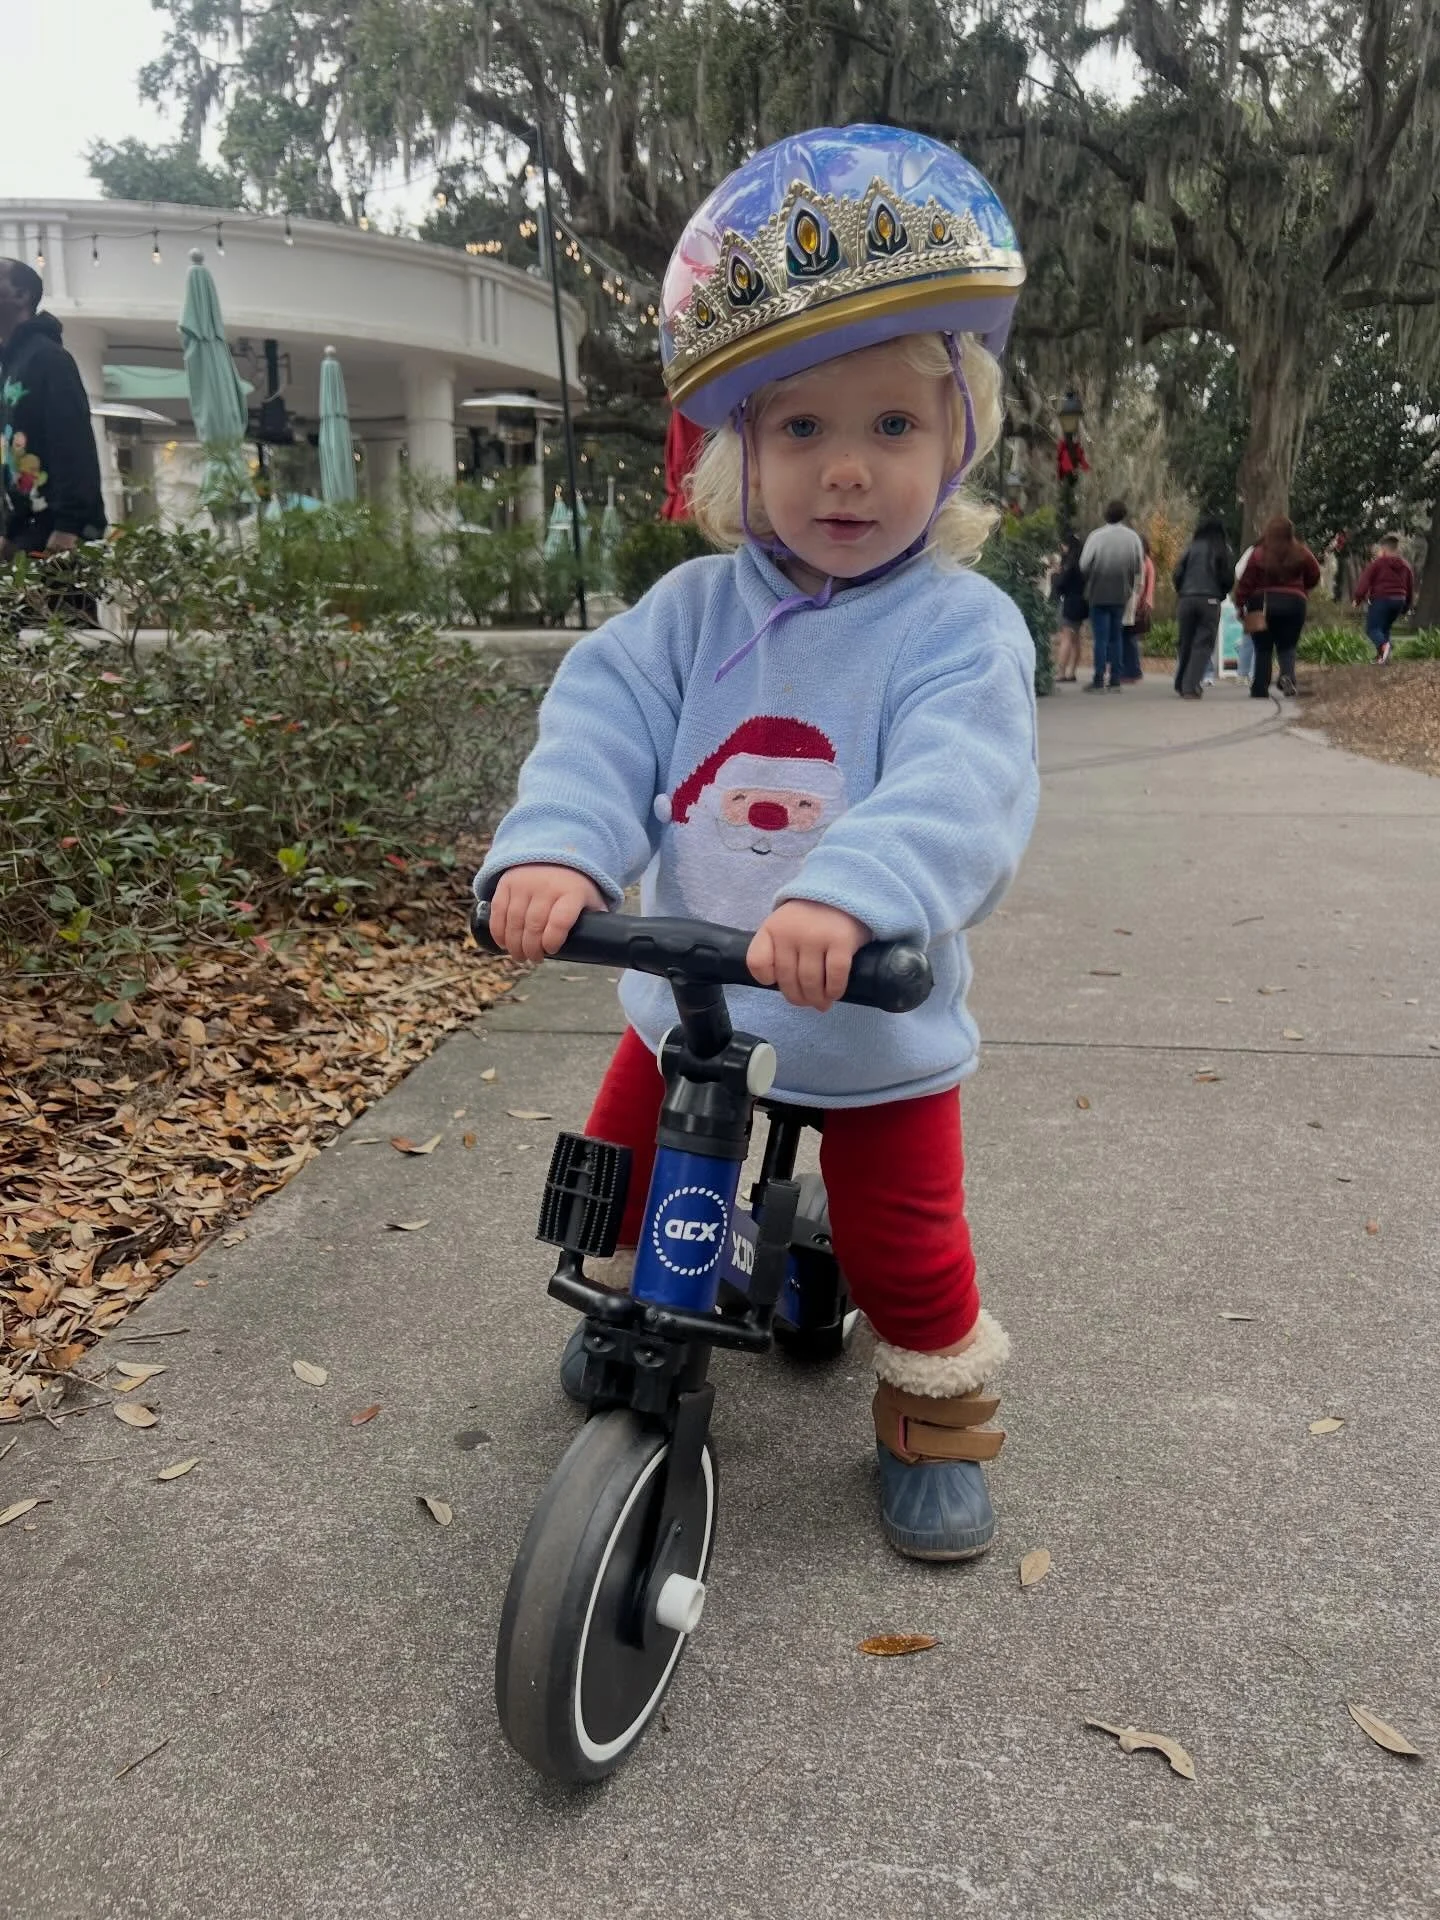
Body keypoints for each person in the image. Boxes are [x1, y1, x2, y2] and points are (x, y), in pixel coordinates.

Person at [477, 125, 1038, 1564]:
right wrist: (561, 851)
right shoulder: (688, 617)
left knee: (908, 1245)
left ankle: (934, 1414)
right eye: (802, 431)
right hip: (694, 999)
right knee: (616, 1174)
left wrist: (854, 895)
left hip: (869, 1018)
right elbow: (602, 724)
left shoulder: (957, 630)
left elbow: (962, 782)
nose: (846, 470)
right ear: (743, 449)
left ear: (958, 440)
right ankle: (634, 1303)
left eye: (893, 427)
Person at [0, 260, 107, 585]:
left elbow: (73, 444)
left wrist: (68, 528)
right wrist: (8, 531)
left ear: (21, 295)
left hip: (58, 538)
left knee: (61, 619)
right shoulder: (10, 366)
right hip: (23, 536)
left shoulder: (49, 358)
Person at [1233, 515, 1321, 698]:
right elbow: (1314, 573)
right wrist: (1302, 588)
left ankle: (1260, 688)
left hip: (1263, 603)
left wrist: (1240, 604)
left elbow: (1246, 581)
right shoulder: (1302, 552)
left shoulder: (1259, 553)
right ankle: (1287, 676)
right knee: (1288, 645)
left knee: (1263, 647)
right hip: (1295, 603)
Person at [1079, 500, 1143, 691]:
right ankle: (1115, 679)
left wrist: (1092, 576)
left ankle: (1099, 679)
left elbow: (1084, 564)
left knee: (1101, 639)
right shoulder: (1133, 538)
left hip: (1098, 592)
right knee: (1117, 637)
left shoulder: (1097, 536)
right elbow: (1138, 566)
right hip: (1121, 592)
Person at [1172, 514, 1236, 697]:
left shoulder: (1190, 549)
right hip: (1210, 599)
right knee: (1203, 642)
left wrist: (1182, 591)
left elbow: (1177, 573)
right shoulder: (1221, 549)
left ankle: (1181, 681)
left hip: (1186, 598)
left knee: (1185, 641)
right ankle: (1190, 686)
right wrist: (1221, 594)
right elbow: (1227, 578)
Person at [1352, 533, 1414, 664]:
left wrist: (1358, 598)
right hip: (1399, 600)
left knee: (1372, 629)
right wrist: (1406, 607)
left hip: (1382, 599)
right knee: (1384, 628)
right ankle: (1383, 658)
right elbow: (1410, 587)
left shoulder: (1378, 564)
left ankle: (1384, 646)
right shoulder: (1406, 566)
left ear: (1384, 550)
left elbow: (1365, 581)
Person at [1049, 531, 1088, 681]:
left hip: (1070, 602)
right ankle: (1072, 671)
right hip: (1082, 602)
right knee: (1076, 639)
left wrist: (1055, 575)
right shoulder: (1083, 563)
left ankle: (1061, 672)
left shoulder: (1069, 564)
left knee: (1066, 638)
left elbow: (1061, 583)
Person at [1120, 532, 1155, 683]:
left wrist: (1141, 603)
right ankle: (1132, 670)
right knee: (1129, 638)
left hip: (1134, 605)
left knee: (1128, 638)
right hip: (1137, 604)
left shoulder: (1143, 562)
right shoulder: (1145, 561)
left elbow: (1143, 585)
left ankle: (1132, 670)